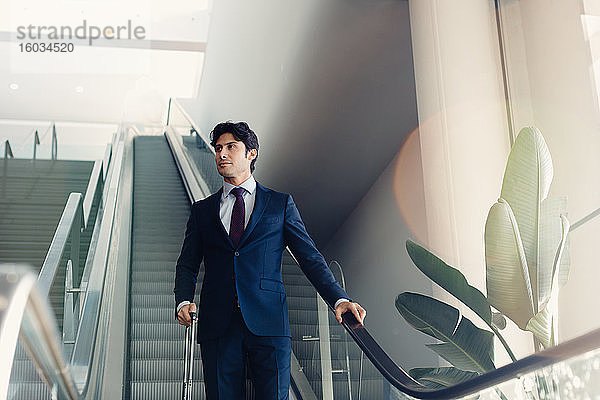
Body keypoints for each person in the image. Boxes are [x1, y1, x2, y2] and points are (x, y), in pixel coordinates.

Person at [174, 121, 366, 400]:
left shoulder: (279, 204)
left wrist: (339, 299)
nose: (221, 154)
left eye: (230, 147)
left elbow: (309, 256)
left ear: (251, 153)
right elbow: (187, 263)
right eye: (218, 149)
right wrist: (183, 299)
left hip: (269, 323)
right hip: (218, 325)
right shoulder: (202, 211)